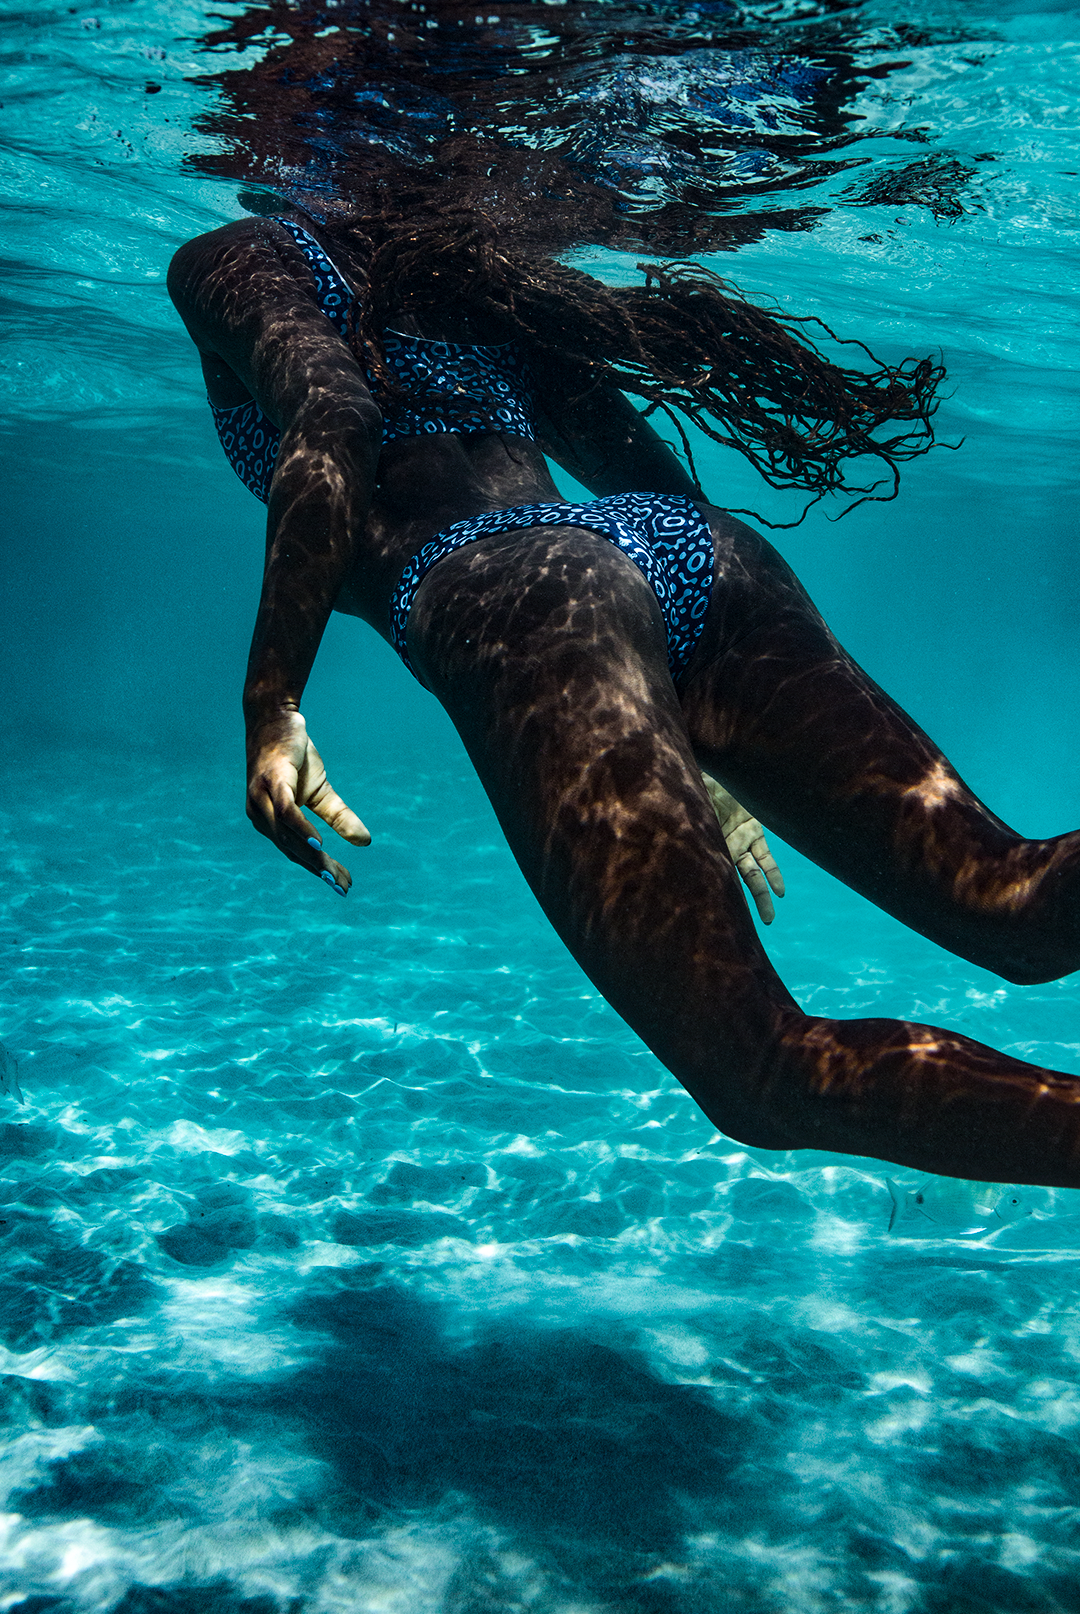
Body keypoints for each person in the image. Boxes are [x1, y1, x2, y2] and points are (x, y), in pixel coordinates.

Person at [168, 201, 1080, 1189]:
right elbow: (632, 463)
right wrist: (688, 731)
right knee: (1019, 903)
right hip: (688, 556)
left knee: (761, 1068)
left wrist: (274, 703)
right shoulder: (464, 267)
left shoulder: (236, 256)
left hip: (519, 606)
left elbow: (335, 417)